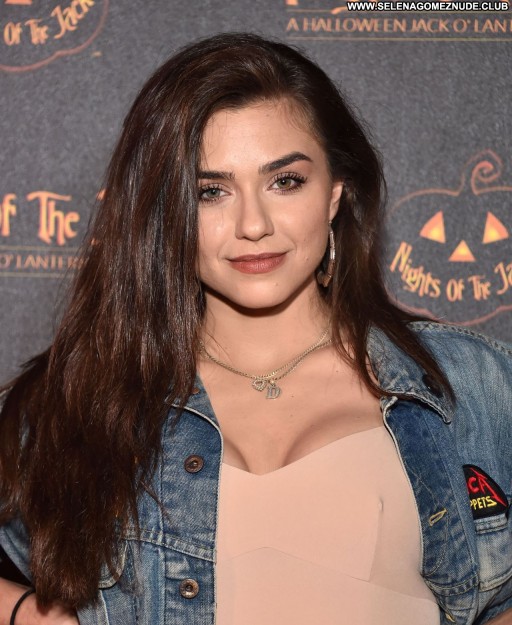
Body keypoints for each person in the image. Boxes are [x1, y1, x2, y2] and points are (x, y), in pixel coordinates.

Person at [0, 32, 511, 625]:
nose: (253, 224)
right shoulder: (79, 402)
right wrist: (29, 613)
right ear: (166, 212)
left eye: (284, 181)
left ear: (335, 194)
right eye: (210, 192)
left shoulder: (470, 384)